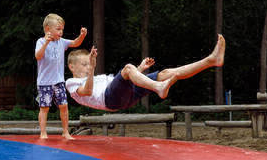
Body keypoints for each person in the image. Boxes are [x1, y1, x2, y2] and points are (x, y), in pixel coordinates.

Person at [65, 34, 226, 111]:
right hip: (110, 100)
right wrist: (93, 67)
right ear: (72, 67)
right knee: (128, 68)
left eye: (89, 64)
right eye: (84, 64)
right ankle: (158, 87)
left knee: (165, 73)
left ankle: (210, 60)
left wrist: (140, 69)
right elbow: (87, 91)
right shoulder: (71, 83)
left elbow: (121, 83)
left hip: (122, 95)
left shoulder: (97, 77)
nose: (88, 67)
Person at [35, 13, 88, 140]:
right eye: (58, 29)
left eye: (62, 29)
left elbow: (75, 43)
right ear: (48, 29)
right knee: (44, 108)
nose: (61, 32)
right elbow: (38, 56)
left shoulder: (62, 42)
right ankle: (43, 132)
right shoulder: (41, 41)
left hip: (58, 81)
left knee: (64, 106)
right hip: (44, 82)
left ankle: (65, 132)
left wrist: (82, 35)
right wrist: (46, 43)